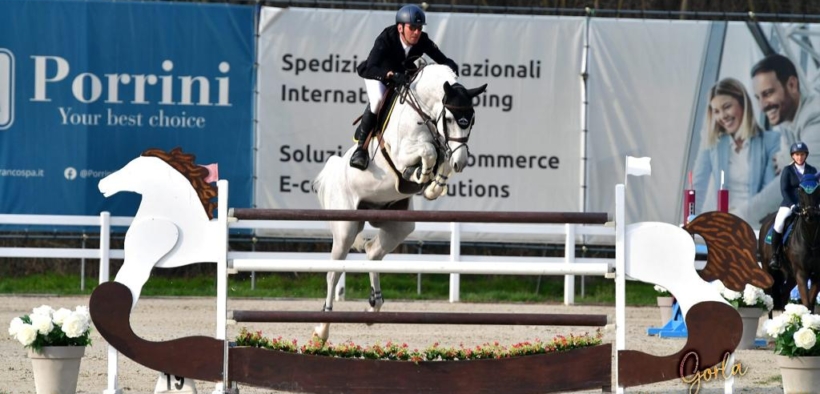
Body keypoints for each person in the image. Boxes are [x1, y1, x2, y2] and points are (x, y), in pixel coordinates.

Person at [350, 4, 460, 170]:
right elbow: (369, 68)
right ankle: (360, 149)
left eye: (419, 28)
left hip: (402, 76)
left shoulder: (422, 39)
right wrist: (390, 75)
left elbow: (441, 59)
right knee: (378, 100)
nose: (416, 32)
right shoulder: (386, 38)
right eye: (412, 28)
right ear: (400, 27)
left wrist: (450, 66)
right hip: (378, 75)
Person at [728, 54, 820, 227]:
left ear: (792, 84)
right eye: (758, 98)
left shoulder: (815, 116)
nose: (763, 105)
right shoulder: (789, 122)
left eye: (768, 93)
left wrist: (740, 216)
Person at [692, 78, 780, 224]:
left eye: (727, 107)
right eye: (716, 111)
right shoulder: (712, 143)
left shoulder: (771, 141)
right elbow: (697, 187)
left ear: (743, 104)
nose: (722, 116)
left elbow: (768, 196)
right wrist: (691, 225)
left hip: (756, 224)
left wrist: (738, 216)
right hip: (722, 225)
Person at [769, 142, 817, 270]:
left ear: (805, 155)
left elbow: (816, 188)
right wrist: (791, 205)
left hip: (809, 204)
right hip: (790, 203)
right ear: (793, 156)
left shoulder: (812, 170)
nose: (799, 157)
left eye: (802, 154)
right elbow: (784, 190)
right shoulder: (787, 170)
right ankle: (775, 255)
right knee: (779, 223)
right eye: (797, 155)